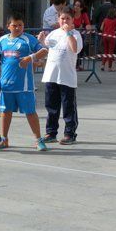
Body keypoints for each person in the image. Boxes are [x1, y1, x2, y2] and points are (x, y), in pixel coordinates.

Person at [0, 14, 49, 151]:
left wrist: (30, 58)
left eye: (20, 25)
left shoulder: (28, 39)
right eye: (14, 25)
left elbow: (44, 50)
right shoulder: (3, 40)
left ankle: (38, 140)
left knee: (30, 112)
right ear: (8, 26)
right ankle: (4, 139)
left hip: (24, 86)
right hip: (6, 85)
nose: (17, 28)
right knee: (6, 112)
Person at [39, 8, 82, 145]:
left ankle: (70, 133)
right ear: (58, 19)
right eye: (62, 18)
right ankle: (51, 132)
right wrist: (41, 40)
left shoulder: (75, 34)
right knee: (51, 106)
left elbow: (75, 49)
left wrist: (68, 32)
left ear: (72, 20)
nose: (64, 21)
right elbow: (47, 49)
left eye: (68, 18)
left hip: (66, 77)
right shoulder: (53, 34)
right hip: (51, 75)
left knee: (68, 107)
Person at [71, 0, 91, 70]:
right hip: (70, 35)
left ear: (81, 8)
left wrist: (88, 27)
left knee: (82, 48)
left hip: (79, 35)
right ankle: (73, 64)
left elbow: (88, 24)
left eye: (78, 6)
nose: (76, 7)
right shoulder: (71, 13)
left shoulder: (84, 14)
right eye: (75, 5)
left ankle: (78, 65)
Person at [100, 7, 116, 72]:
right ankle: (109, 67)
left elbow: (101, 28)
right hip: (111, 37)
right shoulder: (115, 20)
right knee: (110, 52)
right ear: (114, 13)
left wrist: (106, 30)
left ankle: (102, 65)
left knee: (105, 51)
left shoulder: (105, 19)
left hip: (105, 36)